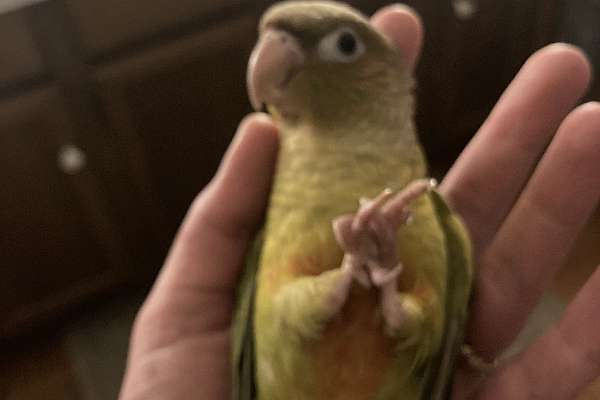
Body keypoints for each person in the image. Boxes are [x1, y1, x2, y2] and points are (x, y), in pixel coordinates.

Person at [117, 4, 600, 400]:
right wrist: (333, 288)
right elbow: (278, 325)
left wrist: (398, 307)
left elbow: (425, 340)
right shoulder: (276, 213)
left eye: (342, 47)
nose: (277, 53)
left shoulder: (444, 232)